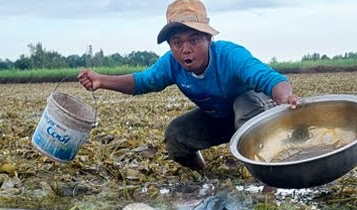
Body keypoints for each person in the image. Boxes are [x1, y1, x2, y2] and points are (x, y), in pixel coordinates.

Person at [77, 0, 300, 172]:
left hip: (255, 119)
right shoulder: (171, 64)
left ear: (208, 39)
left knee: (244, 105)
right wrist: (101, 80)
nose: (185, 49)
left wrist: (285, 98)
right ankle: (203, 176)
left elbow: (271, 79)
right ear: (171, 46)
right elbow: (142, 81)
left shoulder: (231, 56)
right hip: (220, 120)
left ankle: (268, 178)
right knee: (176, 135)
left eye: (194, 40)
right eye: (177, 42)